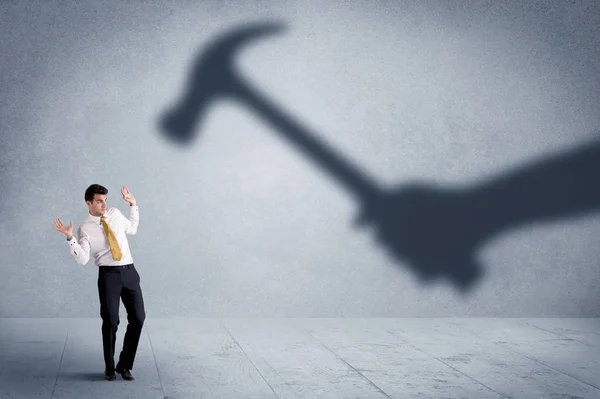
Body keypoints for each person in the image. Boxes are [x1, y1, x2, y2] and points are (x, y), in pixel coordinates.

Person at [53, 184, 145, 381]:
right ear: (89, 203)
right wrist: (70, 238)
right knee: (111, 321)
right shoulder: (85, 227)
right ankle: (109, 367)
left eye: (105, 200)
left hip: (129, 271)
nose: (104, 204)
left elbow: (133, 228)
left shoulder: (115, 214)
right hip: (108, 275)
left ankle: (124, 365)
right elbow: (83, 258)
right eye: (99, 201)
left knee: (138, 318)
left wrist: (133, 204)